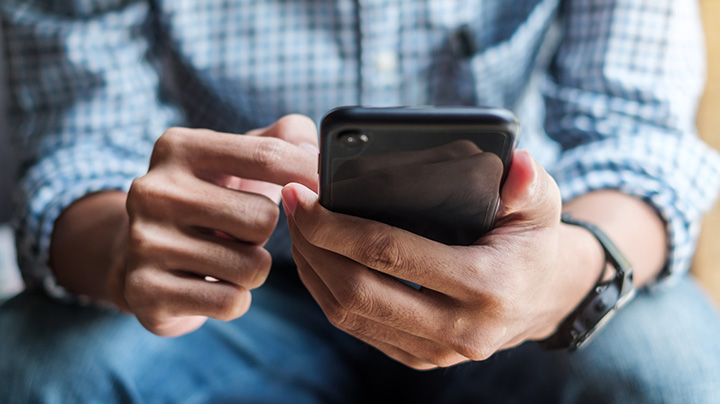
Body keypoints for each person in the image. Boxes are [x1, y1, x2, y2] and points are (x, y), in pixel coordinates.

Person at [1, 0, 720, 402]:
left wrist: (563, 277)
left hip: (524, 275)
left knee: (671, 366)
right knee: (30, 365)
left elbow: (637, 134)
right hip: (245, 291)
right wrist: (126, 249)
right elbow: (73, 147)